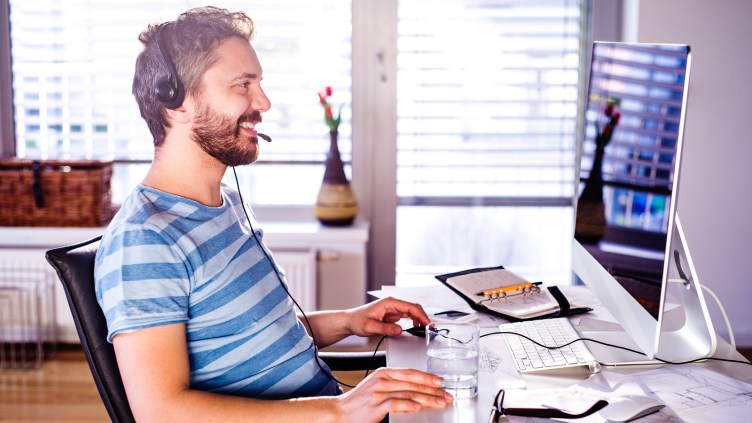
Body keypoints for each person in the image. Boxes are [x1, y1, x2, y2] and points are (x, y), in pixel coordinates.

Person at [93, 6, 452, 422]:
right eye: (242, 85)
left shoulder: (223, 204)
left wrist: (350, 321)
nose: (262, 102)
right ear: (176, 102)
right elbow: (161, 411)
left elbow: (257, 338)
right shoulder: (147, 240)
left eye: (259, 84)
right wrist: (338, 411)